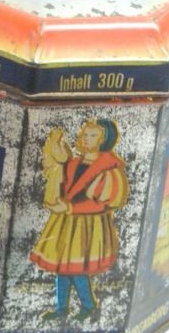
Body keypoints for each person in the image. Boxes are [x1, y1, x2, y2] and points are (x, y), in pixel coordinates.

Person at [30, 118, 129, 320]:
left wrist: (69, 207)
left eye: (92, 135)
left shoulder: (108, 168)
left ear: (103, 140)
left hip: (89, 226)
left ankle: (88, 305)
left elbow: (103, 203)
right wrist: (58, 155)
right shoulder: (74, 163)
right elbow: (61, 182)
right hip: (67, 223)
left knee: (76, 267)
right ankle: (62, 308)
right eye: (85, 134)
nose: (86, 138)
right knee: (62, 266)